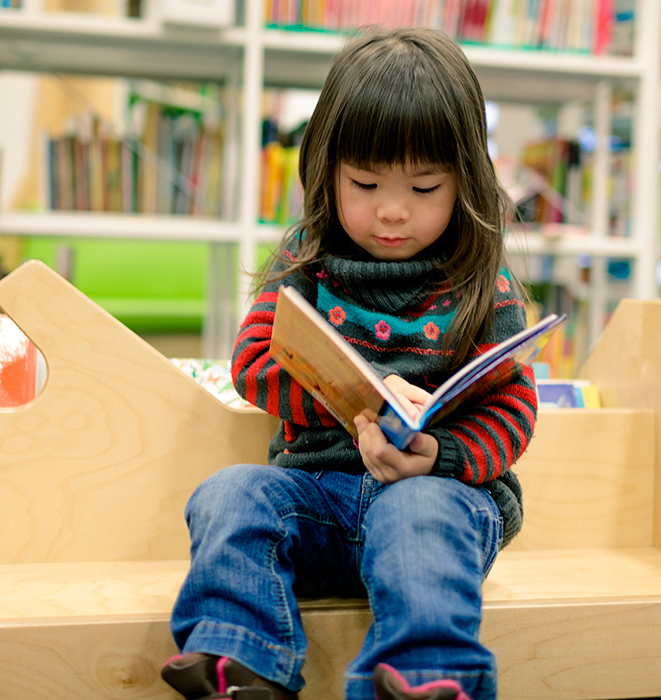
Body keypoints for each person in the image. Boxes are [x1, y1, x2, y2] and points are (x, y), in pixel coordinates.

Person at [161, 26, 538, 700]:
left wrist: (440, 453)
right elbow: (253, 363)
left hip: (440, 504)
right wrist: (358, 395)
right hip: (320, 500)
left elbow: (513, 412)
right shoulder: (307, 258)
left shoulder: (482, 278)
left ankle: (425, 677)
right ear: (326, 169)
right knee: (230, 493)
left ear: (465, 182)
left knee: (417, 513)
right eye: (365, 183)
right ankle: (242, 661)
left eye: (425, 188)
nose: (393, 212)